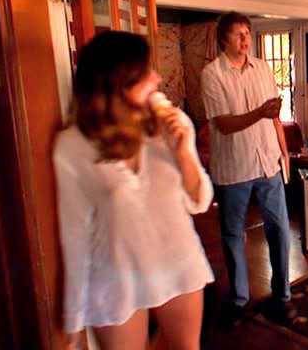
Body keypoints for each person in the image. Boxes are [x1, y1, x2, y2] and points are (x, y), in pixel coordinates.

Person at [54, 30, 213, 350]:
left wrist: (183, 152)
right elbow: (74, 234)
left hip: (178, 260)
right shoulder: (72, 145)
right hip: (115, 276)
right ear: (116, 85)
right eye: (144, 74)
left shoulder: (173, 124)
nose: (157, 79)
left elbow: (200, 202)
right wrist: (73, 315)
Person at [198, 12, 293, 325]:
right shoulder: (212, 74)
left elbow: (273, 115)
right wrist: (259, 113)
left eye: (248, 33)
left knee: (279, 229)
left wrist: (284, 151)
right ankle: (239, 299)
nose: (245, 39)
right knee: (233, 234)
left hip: (268, 162)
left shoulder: (262, 68)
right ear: (223, 38)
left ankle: (282, 295)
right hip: (234, 168)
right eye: (238, 34)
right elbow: (224, 125)